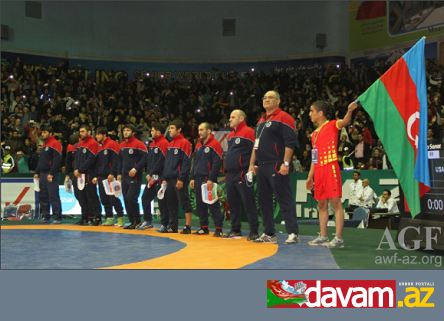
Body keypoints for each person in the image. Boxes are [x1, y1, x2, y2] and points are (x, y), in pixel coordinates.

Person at [248, 90, 300, 244]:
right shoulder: (261, 120)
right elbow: (256, 145)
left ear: (278, 101)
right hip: (262, 165)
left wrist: (285, 163)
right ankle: (269, 233)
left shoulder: (285, 117)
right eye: (264, 97)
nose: (266, 100)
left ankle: (293, 233)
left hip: (277, 163)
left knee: (284, 198)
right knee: (263, 201)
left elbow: (290, 141)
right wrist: (252, 164)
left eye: (270, 97)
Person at [306, 100, 358, 248]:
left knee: (335, 202)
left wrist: (349, 111)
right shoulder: (314, 134)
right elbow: (314, 157)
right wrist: (311, 176)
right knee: (321, 203)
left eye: (311, 111)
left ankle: (339, 238)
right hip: (319, 170)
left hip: (330, 167)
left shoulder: (332, 124)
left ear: (320, 113)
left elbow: (345, 122)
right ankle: (323, 236)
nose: (309, 114)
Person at [223, 109, 259, 240]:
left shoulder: (249, 132)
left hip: (243, 172)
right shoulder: (231, 135)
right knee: (232, 203)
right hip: (231, 174)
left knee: (248, 202)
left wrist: (254, 167)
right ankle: (235, 229)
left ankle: (254, 230)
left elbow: (255, 150)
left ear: (241, 119)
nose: (230, 119)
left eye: (233, 117)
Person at [190, 122, 224, 237]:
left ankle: (219, 228)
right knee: (200, 204)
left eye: (202, 130)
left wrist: (211, 178)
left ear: (209, 131)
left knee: (212, 203)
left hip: (207, 179)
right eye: (199, 130)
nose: (200, 132)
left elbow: (216, 163)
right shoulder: (198, 145)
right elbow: (195, 163)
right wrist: (192, 177)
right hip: (198, 178)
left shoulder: (215, 144)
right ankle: (203, 227)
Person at [162, 119, 193, 234]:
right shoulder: (170, 144)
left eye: (172, 128)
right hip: (169, 178)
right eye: (169, 128)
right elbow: (166, 162)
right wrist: (164, 178)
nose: (169, 130)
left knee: (184, 201)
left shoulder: (185, 143)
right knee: (171, 203)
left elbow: (186, 162)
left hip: (179, 178)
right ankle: (173, 226)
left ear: (179, 130)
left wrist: (181, 178)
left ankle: (188, 226)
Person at [117, 123, 148, 229]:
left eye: (128, 130)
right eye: (124, 130)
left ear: (133, 132)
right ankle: (132, 221)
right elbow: (120, 160)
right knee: (126, 198)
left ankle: (138, 220)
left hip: (134, 175)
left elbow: (145, 157)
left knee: (131, 197)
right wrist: (119, 173)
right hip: (124, 175)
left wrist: (136, 168)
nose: (125, 132)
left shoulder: (138, 144)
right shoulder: (121, 145)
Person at [140, 122, 169, 231]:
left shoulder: (164, 143)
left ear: (158, 132)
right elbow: (150, 161)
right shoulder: (152, 144)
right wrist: (148, 173)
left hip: (160, 176)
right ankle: (148, 220)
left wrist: (150, 173)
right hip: (151, 177)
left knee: (162, 201)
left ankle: (165, 224)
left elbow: (161, 161)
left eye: (152, 130)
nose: (150, 132)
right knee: (145, 198)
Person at [94, 127, 125, 227]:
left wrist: (112, 173)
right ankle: (109, 218)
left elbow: (116, 160)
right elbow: (97, 164)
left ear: (104, 135)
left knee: (114, 198)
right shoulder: (99, 147)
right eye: (96, 134)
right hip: (101, 177)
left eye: (99, 134)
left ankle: (121, 218)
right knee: (104, 199)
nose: (97, 136)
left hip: (111, 176)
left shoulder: (112, 144)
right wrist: (96, 176)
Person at [74, 124, 102, 226]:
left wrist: (80, 169)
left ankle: (97, 217)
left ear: (89, 132)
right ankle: (84, 217)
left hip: (89, 173)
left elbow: (91, 158)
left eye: (83, 131)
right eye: (80, 131)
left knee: (92, 196)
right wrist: (76, 169)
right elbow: (76, 157)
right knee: (82, 197)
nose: (81, 133)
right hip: (80, 174)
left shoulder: (93, 143)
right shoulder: (80, 144)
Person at [34, 125, 63, 224]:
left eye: (45, 132)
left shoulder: (55, 144)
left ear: (51, 133)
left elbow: (57, 160)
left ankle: (57, 217)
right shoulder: (43, 145)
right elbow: (41, 161)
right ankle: (46, 216)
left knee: (53, 195)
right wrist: (36, 172)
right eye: (42, 132)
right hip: (42, 173)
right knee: (43, 196)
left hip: (51, 173)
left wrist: (52, 173)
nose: (42, 134)